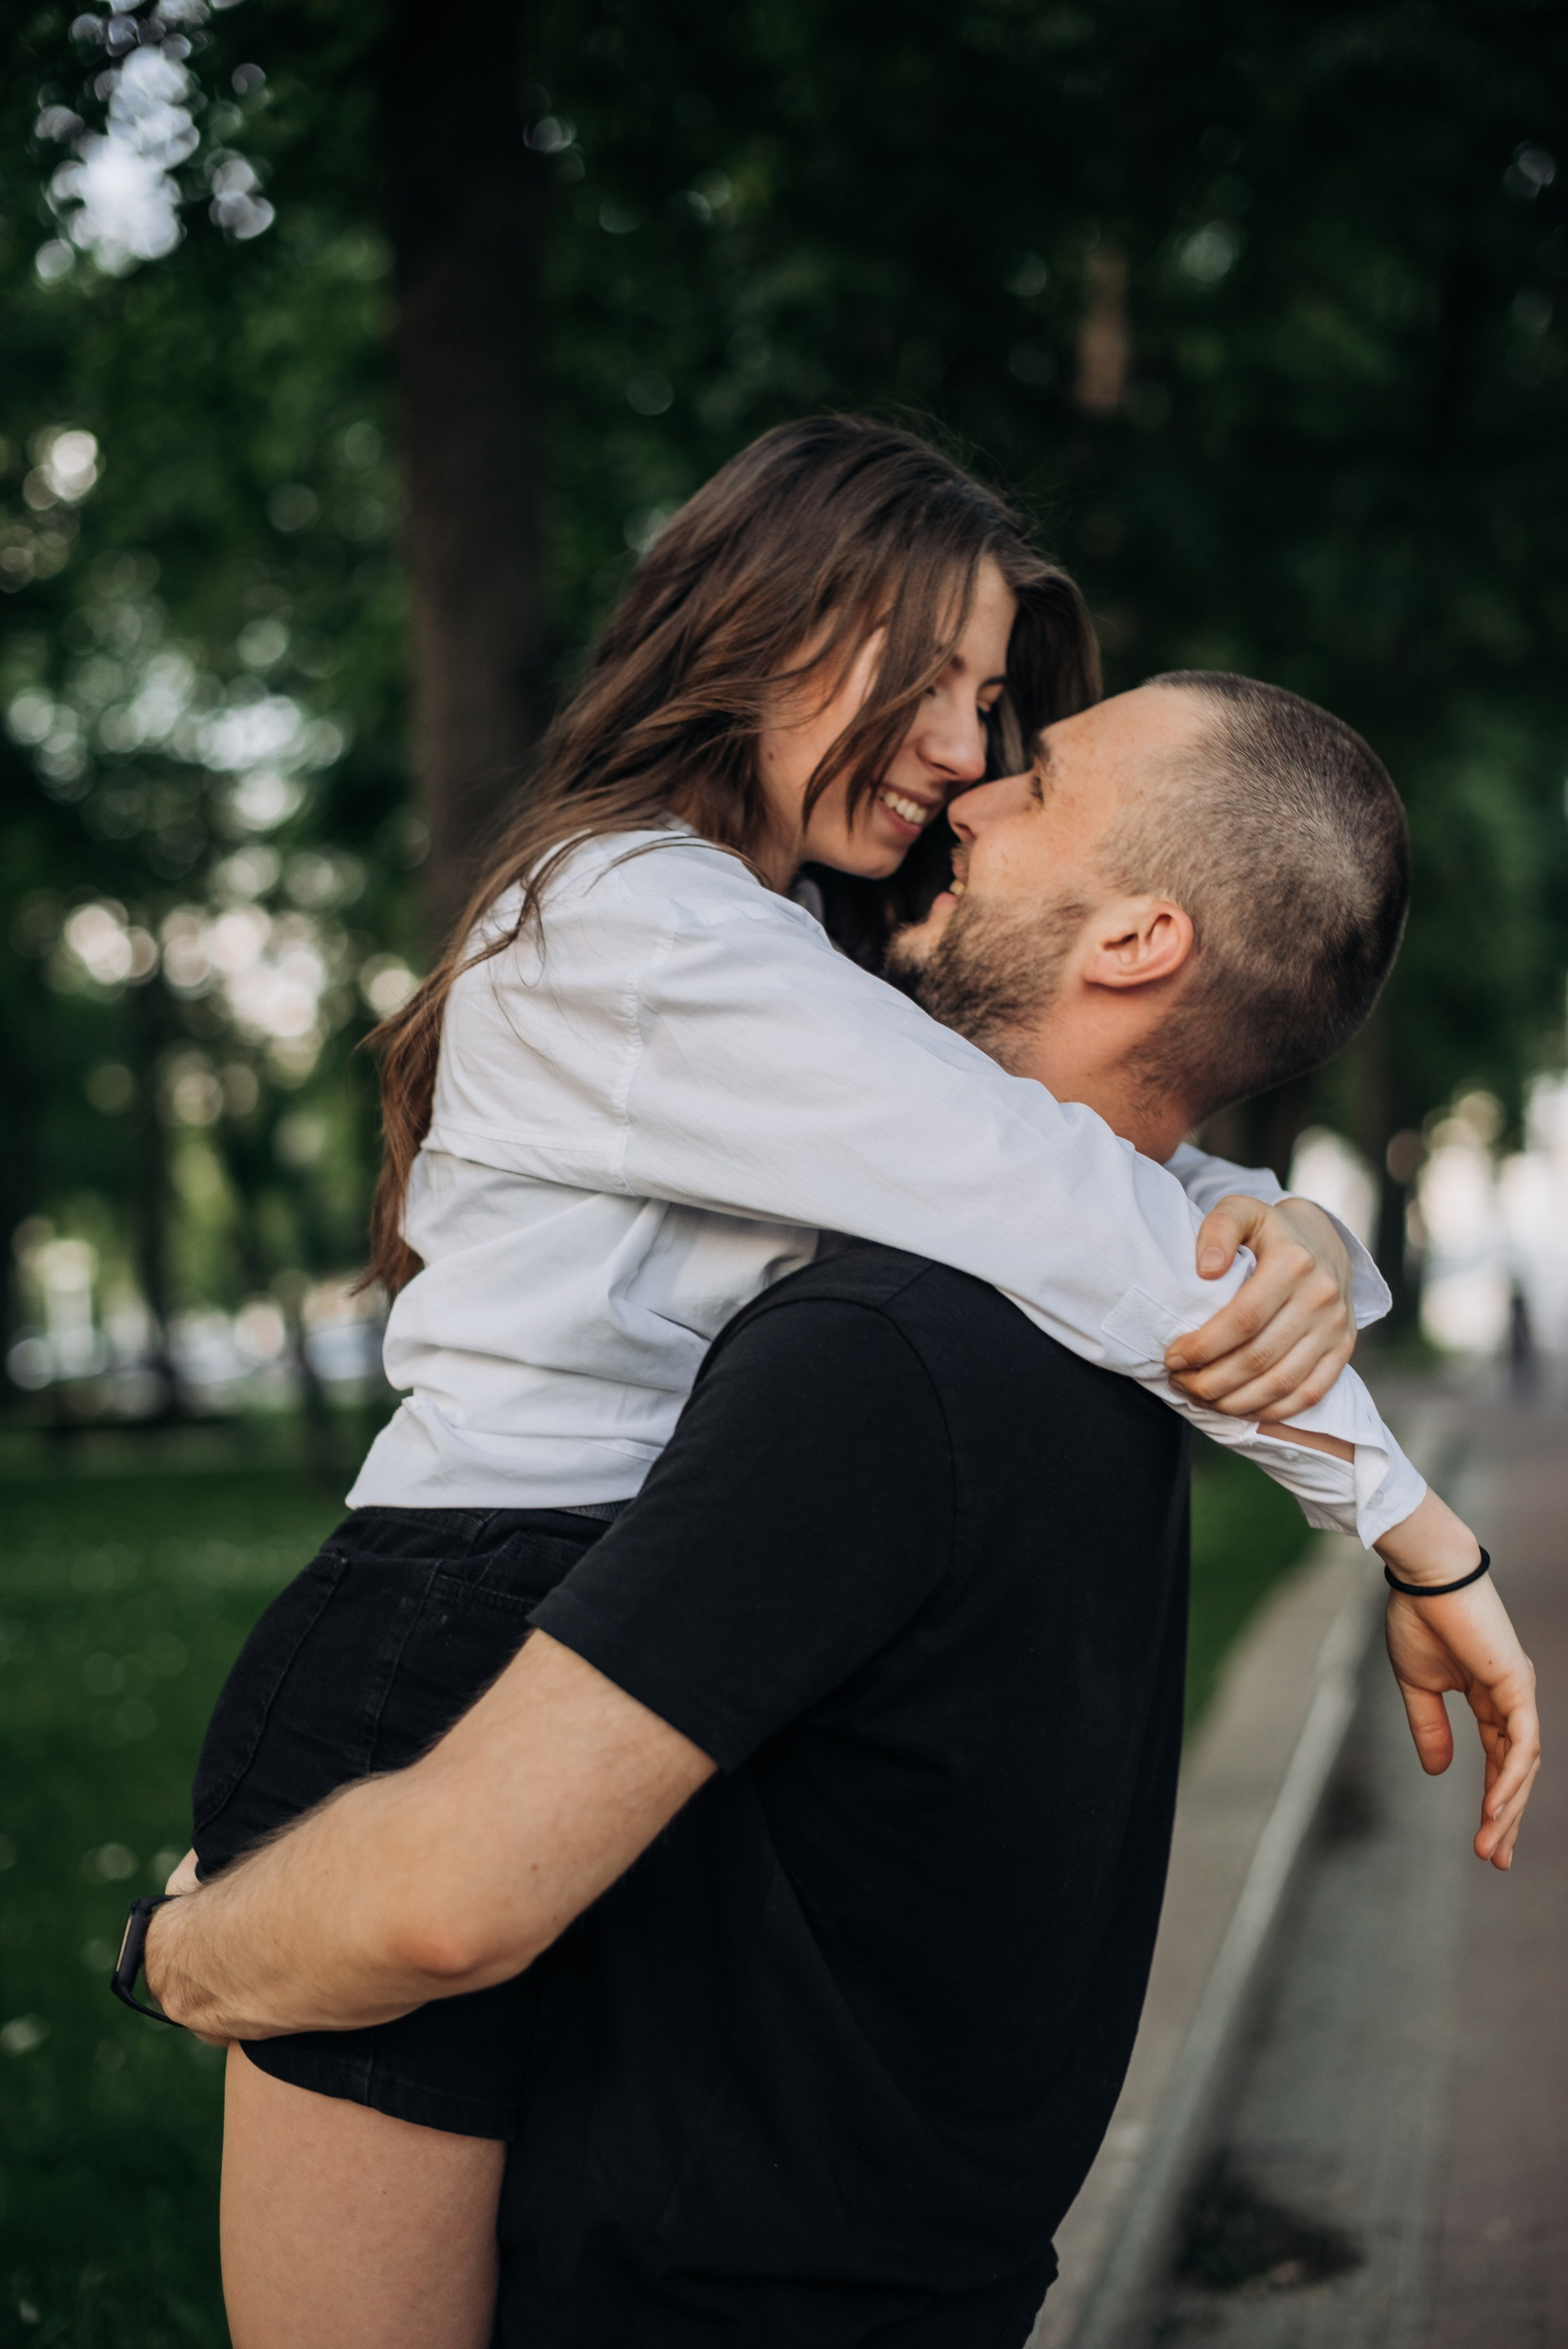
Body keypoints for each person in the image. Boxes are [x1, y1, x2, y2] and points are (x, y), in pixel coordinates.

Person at [145, 674, 1539, 2349]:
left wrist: (185, 1945)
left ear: (1138, 938)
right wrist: (1313, 1278)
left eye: (1036, 784)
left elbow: (451, 1899)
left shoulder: (883, 1355)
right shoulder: (1112, 1353)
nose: (967, 792)